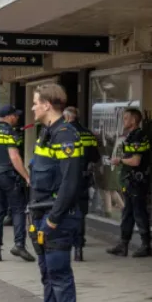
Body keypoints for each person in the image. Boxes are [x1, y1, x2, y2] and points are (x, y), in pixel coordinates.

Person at [18, 84, 85, 302]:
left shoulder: (66, 135)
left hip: (58, 217)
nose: (32, 107)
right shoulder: (47, 133)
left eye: (35, 102)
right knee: (48, 275)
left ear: (47, 105)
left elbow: (70, 183)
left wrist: (54, 220)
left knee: (59, 275)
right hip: (41, 212)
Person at [0, 105, 34, 263]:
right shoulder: (9, 132)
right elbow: (14, 157)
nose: (17, 118)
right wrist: (26, 176)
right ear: (9, 117)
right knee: (18, 210)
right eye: (16, 116)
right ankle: (19, 245)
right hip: (8, 176)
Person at [106, 108, 152, 258]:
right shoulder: (131, 135)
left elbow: (136, 160)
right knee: (127, 214)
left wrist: (119, 160)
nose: (124, 121)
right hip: (130, 181)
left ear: (133, 120)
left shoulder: (138, 136)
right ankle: (123, 244)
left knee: (139, 212)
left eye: (126, 118)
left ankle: (146, 246)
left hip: (137, 181)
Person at [63, 107, 100, 262]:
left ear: (66, 117)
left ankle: (66, 243)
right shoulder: (88, 133)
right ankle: (79, 248)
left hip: (65, 179)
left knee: (64, 211)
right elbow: (96, 157)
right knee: (80, 214)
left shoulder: (63, 132)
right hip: (83, 179)